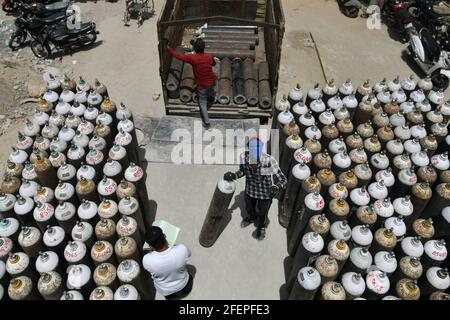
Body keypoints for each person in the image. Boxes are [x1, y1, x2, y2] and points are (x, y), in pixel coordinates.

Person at [223, 137, 287, 241]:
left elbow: (283, 179)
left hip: (265, 193)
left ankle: (261, 226)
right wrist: (234, 175)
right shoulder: (244, 157)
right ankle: (252, 217)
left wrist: (276, 186)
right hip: (250, 190)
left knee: (263, 213)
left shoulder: (269, 161)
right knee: (249, 208)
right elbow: (242, 171)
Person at [164, 37, 217, 129]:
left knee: (202, 101)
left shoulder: (192, 58)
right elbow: (214, 64)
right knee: (210, 85)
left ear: (194, 49)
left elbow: (178, 56)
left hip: (202, 85)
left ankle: (207, 122)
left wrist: (169, 48)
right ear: (204, 48)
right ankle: (211, 94)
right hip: (211, 80)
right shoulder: (209, 56)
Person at [142, 226, 193, 299]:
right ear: (165, 236)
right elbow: (189, 254)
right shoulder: (182, 249)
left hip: (167, 292)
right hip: (185, 286)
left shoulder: (146, 260)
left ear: (150, 246)